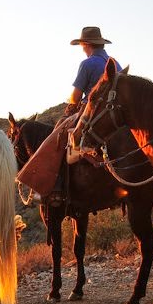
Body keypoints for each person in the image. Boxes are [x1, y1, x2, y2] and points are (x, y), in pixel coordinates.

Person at [15, 26, 119, 204]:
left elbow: (76, 96)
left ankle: (57, 188)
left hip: (91, 110)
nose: (82, 49)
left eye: (82, 45)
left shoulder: (88, 64)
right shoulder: (115, 63)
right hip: (113, 112)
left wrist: (70, 107)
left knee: (58, 137)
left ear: (86, 44)